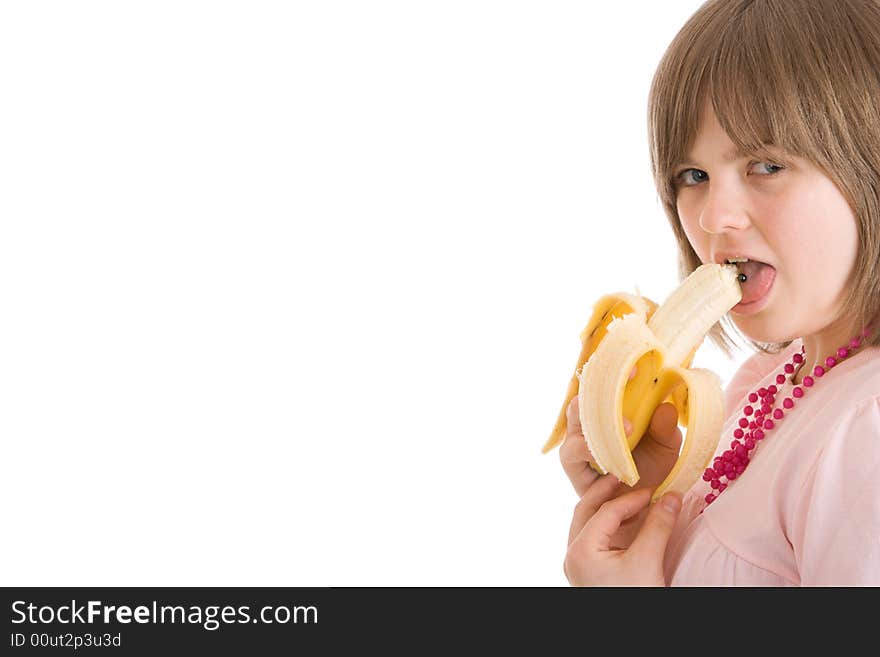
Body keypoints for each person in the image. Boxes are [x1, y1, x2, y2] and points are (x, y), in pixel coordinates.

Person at [560, 0, 880, 586]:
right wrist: (656, 502)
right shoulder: (767, 377)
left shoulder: (869, 424)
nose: (713, 218)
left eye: (766, 165)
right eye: (693, 176)